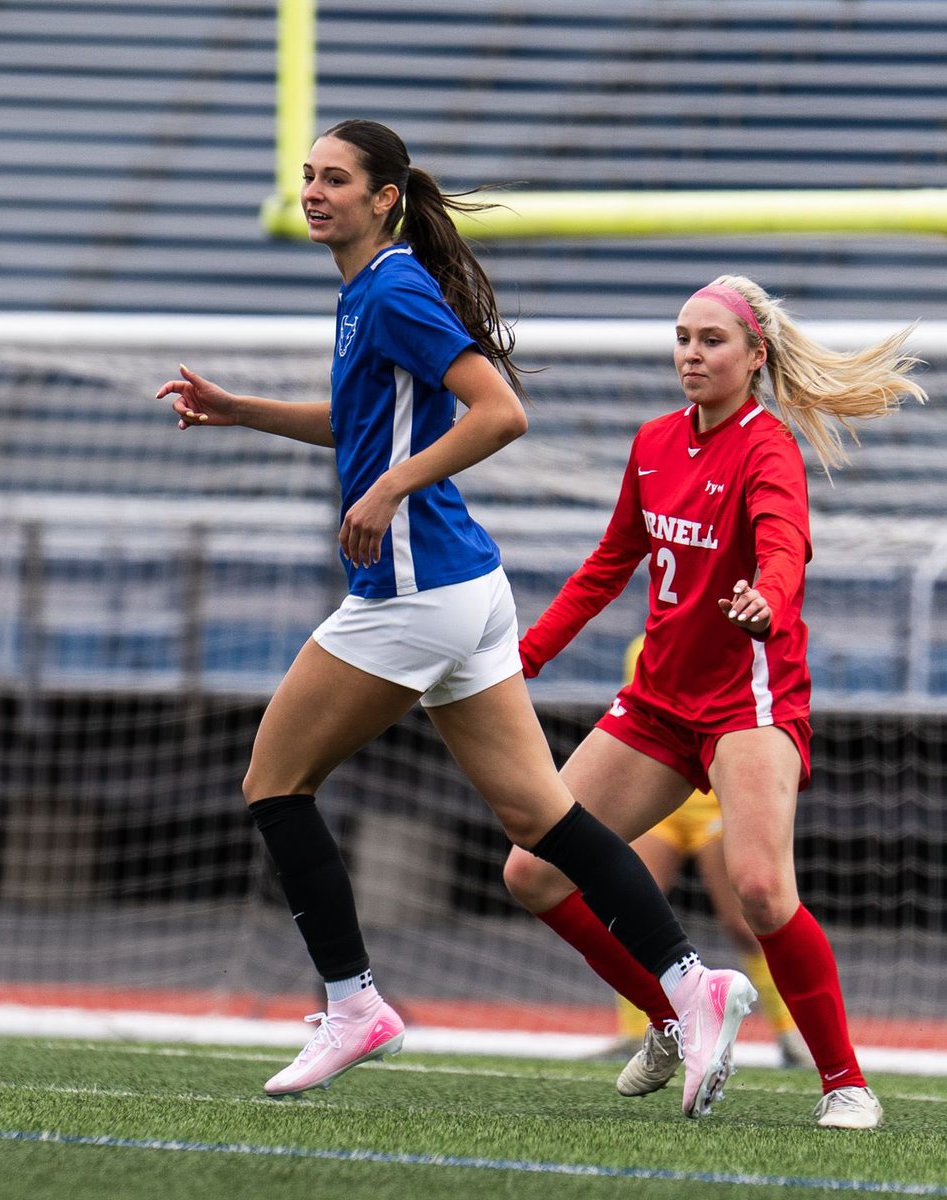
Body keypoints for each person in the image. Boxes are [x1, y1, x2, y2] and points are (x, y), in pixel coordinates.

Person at [156, 120, 753, 1115]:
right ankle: (694, 986)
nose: (313, 191)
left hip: (414, 592)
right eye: (307, 176)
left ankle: (353, 1005)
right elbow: (361, 423)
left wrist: (391, 488)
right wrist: (241, 409)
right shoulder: (368, 290)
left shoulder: (391, 288)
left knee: (274, 783)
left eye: (335, 178)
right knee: (542, 820)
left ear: (384, 197)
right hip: (466, 590)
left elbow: (500, 412)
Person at [503, 274, 926, 1130]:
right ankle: (672, 1017)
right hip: (658, 703)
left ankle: (846, 1084)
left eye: (711, 340)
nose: (691, 354)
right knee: (533, 872)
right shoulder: (654, 441)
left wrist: (770, 596)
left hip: (748, 703)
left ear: (754, 355)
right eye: (683, 338)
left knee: (762, 890)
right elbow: (609, 564)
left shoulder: (768, 447)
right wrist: (525, 656)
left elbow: (785, 543)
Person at [605, 639, 812, 1076]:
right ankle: (638, 1031)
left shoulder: (734, 646)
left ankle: (791, 1032)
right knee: (628, 914)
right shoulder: (640, 648)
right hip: (661, 800)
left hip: (712, 798)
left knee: (747, 920)